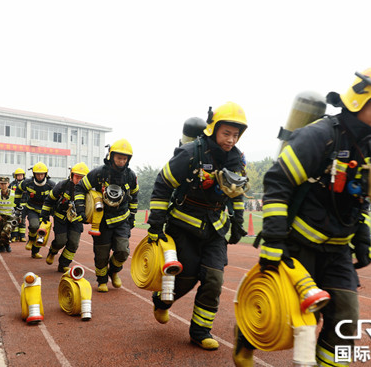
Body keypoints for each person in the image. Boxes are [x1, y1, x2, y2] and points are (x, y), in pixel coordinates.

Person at [232, 62, 371, 366]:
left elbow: (360, 198)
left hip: (339, 252)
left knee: (345, 320)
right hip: (298, 245)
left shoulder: (367, 148)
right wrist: (275, 239)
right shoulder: (319, 136)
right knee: (284, 312)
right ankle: (246, 338)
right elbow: (278, 183)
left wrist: (363, 236)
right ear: (359, 100)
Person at [147, 101, 249, 351]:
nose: (231, 140)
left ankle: (200, 331)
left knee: (214, 279)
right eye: (226, 133)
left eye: (235, 135)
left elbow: (236, 193)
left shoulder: (237, 159)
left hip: (216, 229)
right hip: (184, 226)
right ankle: (161, 302)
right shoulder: (191, 152)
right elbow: (163, 183)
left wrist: (237, 222)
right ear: (213, 129)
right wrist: (156, 223)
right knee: (186, 278)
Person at [74, 139, 139, 293]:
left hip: (122, 219)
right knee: (102, 255)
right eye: (119, 158)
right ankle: (102, 280)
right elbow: (80, 188)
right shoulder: (98, 173)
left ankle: (114, 271)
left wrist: (132, 217)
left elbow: (135, 195)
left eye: (125, 158)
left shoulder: (130, 176)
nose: (122, 161)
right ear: (111, 156)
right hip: (101, 221)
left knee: (123, 251)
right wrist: (82, 210)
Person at [40, 162, 89, 273]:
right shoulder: (62, 185)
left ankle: (63, 264)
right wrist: (44, 215)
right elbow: (49, 200)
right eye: (77, 177)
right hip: (61, 218)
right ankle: (52, 251)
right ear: (71, 176)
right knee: (61, 241)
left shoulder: (88, 191)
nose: (79, 180)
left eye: (82, 178)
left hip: (76, 220)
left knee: (73, 243)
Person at [14, 162, 56, 259]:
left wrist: (53, 210)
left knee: (42, 233)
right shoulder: (27, 183)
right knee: (34, 226)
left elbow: (56, 197)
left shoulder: (51, 185)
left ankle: (35, 252)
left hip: (45, 211)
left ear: (46, 174)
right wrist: (17, 203)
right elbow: (19, 190)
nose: (40, 176)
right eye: (37, 174)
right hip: (32, 208)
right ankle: (31, 240)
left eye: (42, 174)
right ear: (34, 174)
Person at [0, 176, 16, 253]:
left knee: (4, 233)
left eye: (5, 184)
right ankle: (1, 247)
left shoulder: (13, 194)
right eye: (2, 184)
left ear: (8, 184)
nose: (3, 185)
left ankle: (7, 245)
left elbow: (18, 205)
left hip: (10, 218)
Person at [9, 168, 27, 242]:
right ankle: (14, 236)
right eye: (18, 175)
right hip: (14, 205)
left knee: (22, 221)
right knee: (14, 220)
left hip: (23, 205)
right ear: (15, 176)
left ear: (23, 176)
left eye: (21, 175)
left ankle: (22, 236)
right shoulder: (12, 184)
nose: (19, 176)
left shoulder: (26, 184)